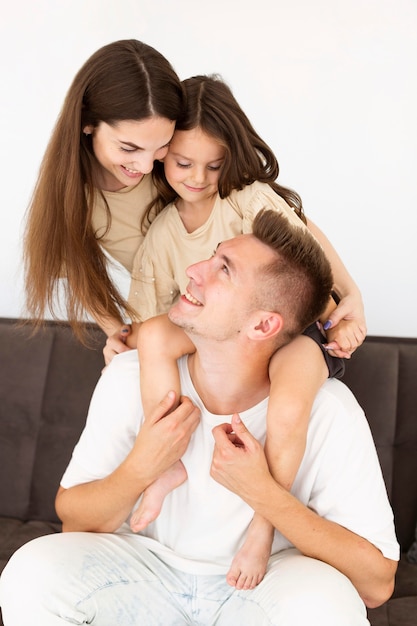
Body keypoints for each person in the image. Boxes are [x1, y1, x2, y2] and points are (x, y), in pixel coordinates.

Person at [0, 210, 397, 625]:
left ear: (263, 324)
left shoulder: (327, 409)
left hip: (264, 586)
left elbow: (376, 585)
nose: (192, 270)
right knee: (32, 571)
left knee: (327, 606)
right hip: (141, 575)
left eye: (223, 270)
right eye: (212, 255)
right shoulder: (130, 375)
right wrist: (143, 465)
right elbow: (74, 520)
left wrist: (263, 493)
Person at [121, 75, 366, 588]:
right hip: (221, 338)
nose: (198, 177)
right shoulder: (163, 233)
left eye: (214, 165)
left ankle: (263, 523)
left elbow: (310, 255)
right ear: (162, 155)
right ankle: (163, 463)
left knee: (293, 371)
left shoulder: (249, 200)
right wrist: (123, 344)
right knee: (153, 338)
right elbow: (149, 318)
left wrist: (349, 300)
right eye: (184, 163)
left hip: (289, 334)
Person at [23, 38, 184, 342]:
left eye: (162, 145)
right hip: (168, 331)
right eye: (128, 147)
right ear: (87, 122)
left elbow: (264, 202)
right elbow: (80, 276)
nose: (147, 166)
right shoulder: (73, 198)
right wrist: (119, 336)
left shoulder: (190, 158)